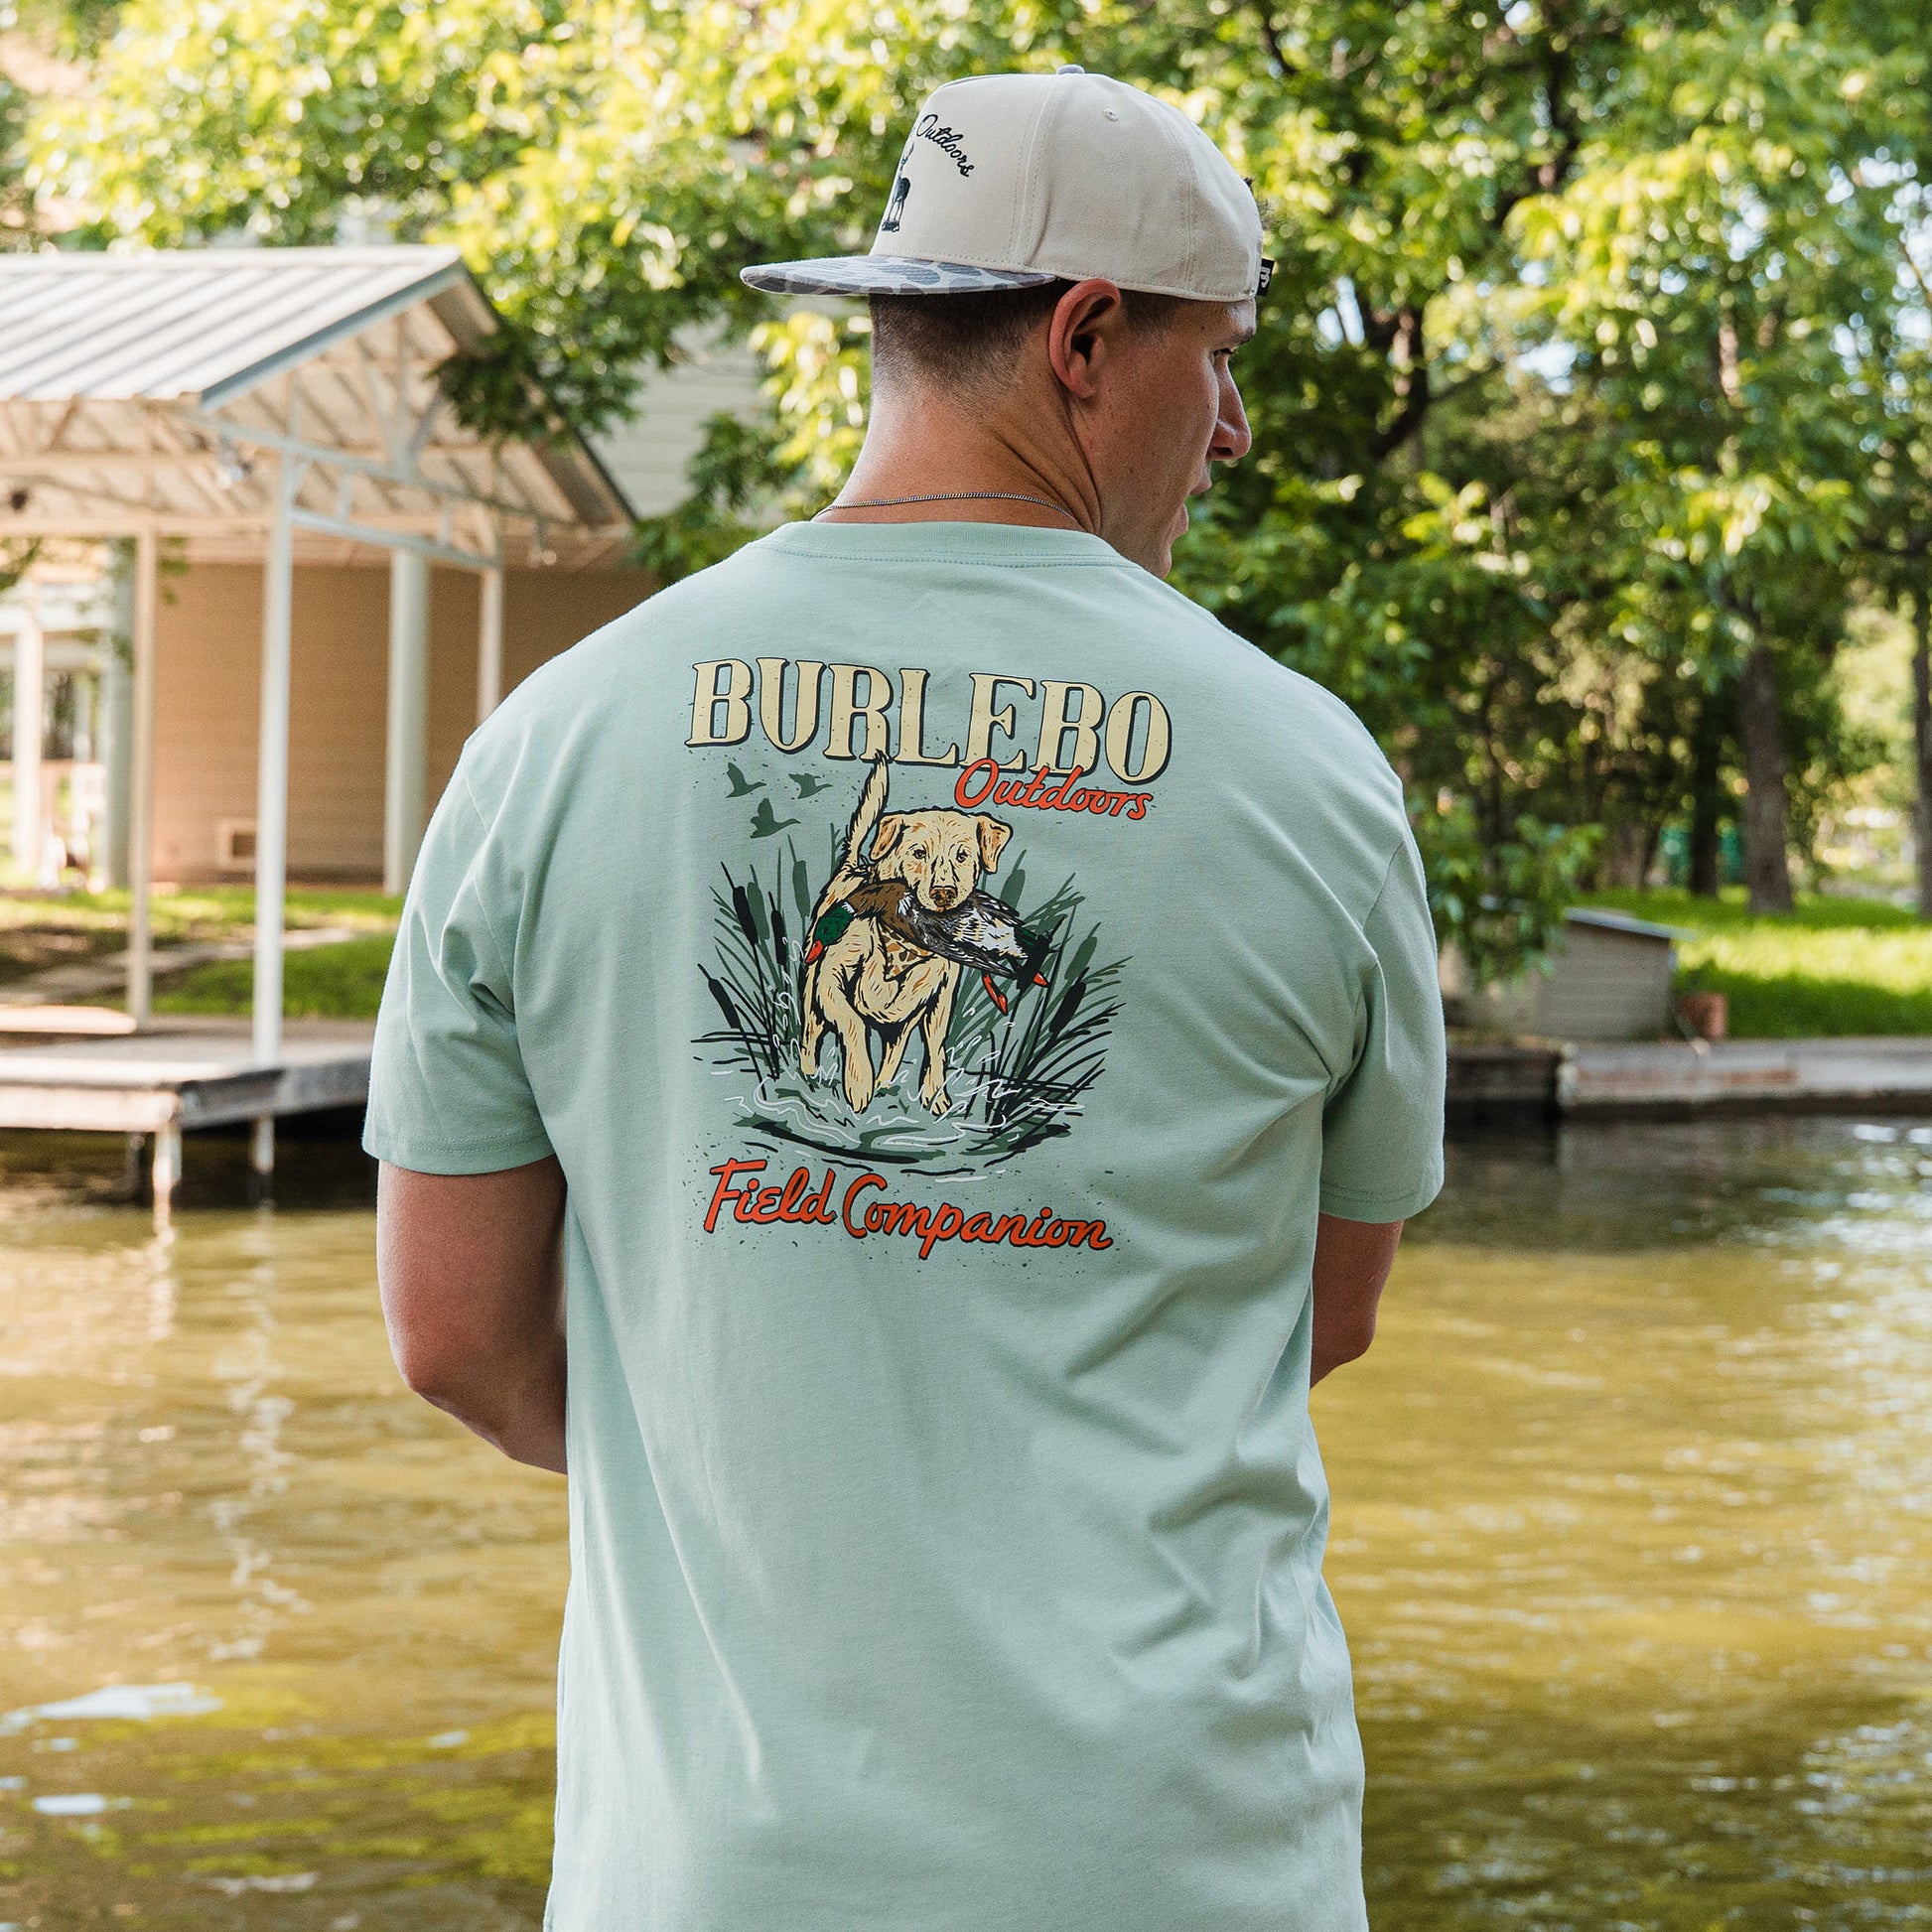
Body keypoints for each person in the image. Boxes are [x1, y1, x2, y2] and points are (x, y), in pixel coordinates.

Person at [368, 65, 1446, 1932]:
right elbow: (1315, 1316)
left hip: (712, 1881)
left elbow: (454, 1335)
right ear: (1090, 337)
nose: (1237, 427)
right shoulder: (1310, 773)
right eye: (1223, 355)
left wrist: (728, 1449)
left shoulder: (553, 741)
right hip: (1178, 1866)